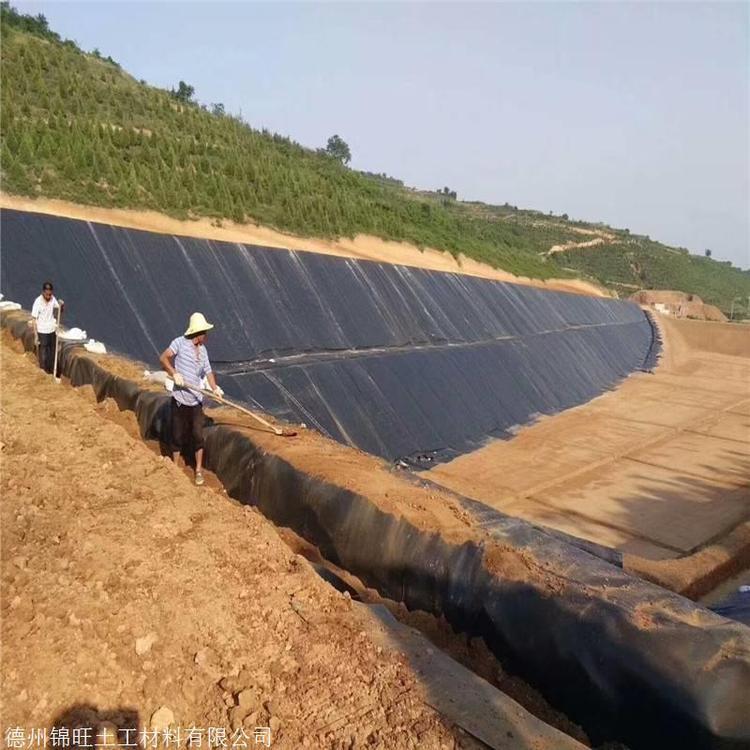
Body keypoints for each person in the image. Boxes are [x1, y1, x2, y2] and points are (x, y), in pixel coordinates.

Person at [159, 312, 224, 486]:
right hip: (180, 400)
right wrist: (174, 373)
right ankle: (174, 468)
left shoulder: (203, 351)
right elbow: (163, 358)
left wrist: (214, 387)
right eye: (204, 332)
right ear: (197, 332)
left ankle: (198, 471)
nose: (206, 335)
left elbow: (208, 371)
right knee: (177, 435)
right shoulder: (179, 343)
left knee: (197, 436)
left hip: (196, 401)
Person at [30, 281, 64, 375]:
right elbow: (34, 319)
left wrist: (62, 305)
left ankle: (52, 372)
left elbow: (59, 309)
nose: (49, 296)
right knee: (43, 354)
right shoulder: (38, 302)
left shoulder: (53, 299)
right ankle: (44, 373)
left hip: (52, 330)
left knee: (52, 353)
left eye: (50, 294)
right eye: (47, 294)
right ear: (43, 292)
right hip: (42, 331)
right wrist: (36, 336)